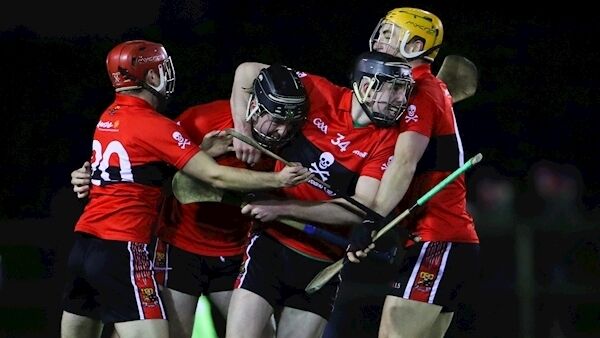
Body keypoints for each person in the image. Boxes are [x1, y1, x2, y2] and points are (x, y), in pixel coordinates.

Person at [61, 40, 311, 338]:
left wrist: (88, 176)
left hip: (92, 244)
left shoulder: (109, 117)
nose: (281, 130)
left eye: (288, 122)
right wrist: (279, 181)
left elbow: (133, 165)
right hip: (148, 247)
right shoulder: (176, 122)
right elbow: (213, 176)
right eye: (274, 118)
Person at [225, 51, 414, 338]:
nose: (401, 100)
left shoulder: (386, 140)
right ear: (366, 86)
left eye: (404, 90)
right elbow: (247, 70)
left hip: (322, 261)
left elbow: (358, 207)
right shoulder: (318, 92)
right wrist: (244, 131)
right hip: (270, 247)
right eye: (394, 88)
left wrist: (282, 208)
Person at [345, 8, 481, 338]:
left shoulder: (420, 91)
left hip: (437, 238)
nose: (381, 38)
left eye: (392, 34)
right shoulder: (417, 87)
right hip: (442, 239)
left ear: (416, 43)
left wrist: (371, 219)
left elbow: (404, 162)